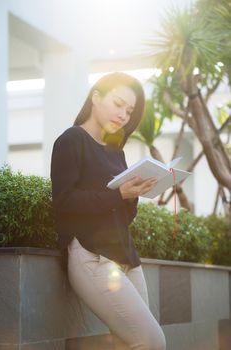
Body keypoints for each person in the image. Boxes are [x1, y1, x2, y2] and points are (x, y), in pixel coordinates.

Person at [50, 72, 166, 350]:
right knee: (152, 342)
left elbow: (123, 216)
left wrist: (132, 195)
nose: (124, 115)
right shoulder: (71, 140)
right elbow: (64, 203)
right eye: (118, 103)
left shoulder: (116, 151)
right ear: (96, 97)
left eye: (129, 110)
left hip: (127, 257)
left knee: (130, 344)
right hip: (91, 257)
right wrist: (118, 194)